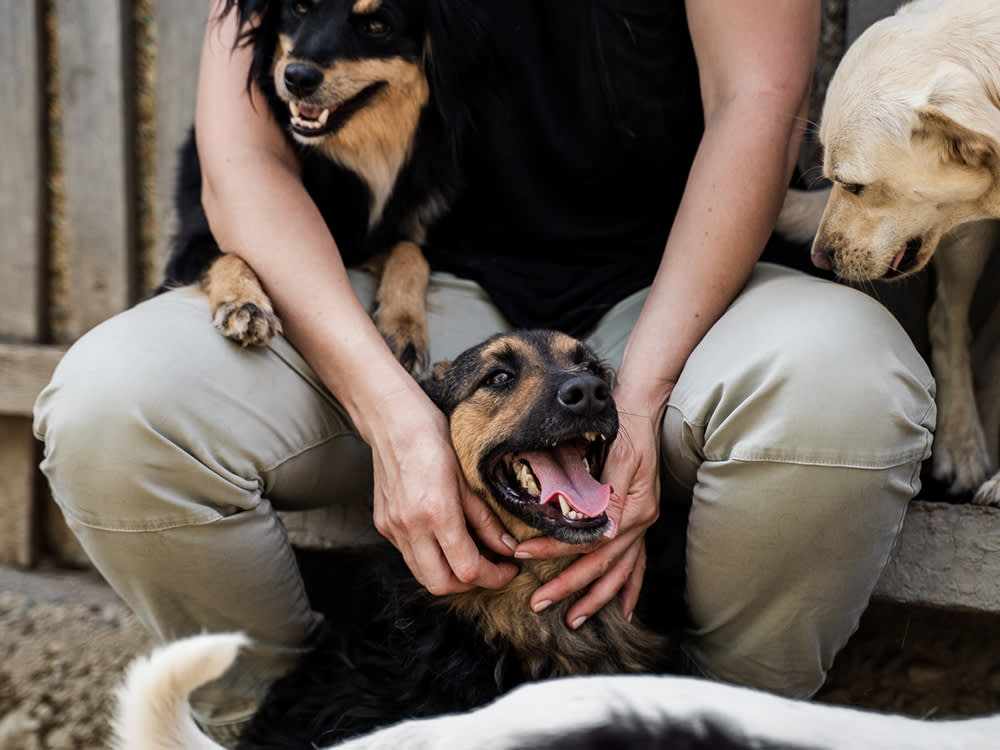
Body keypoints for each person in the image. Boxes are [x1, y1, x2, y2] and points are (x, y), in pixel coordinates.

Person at [33, 0, 935, 745]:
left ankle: (712, 728)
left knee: (845, 384)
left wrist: (642, 396)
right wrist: (394, 414)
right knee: (114, 405)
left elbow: (759, 101)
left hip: (679, 286)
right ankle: (298, 733)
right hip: (404, 297)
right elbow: (243, 164)